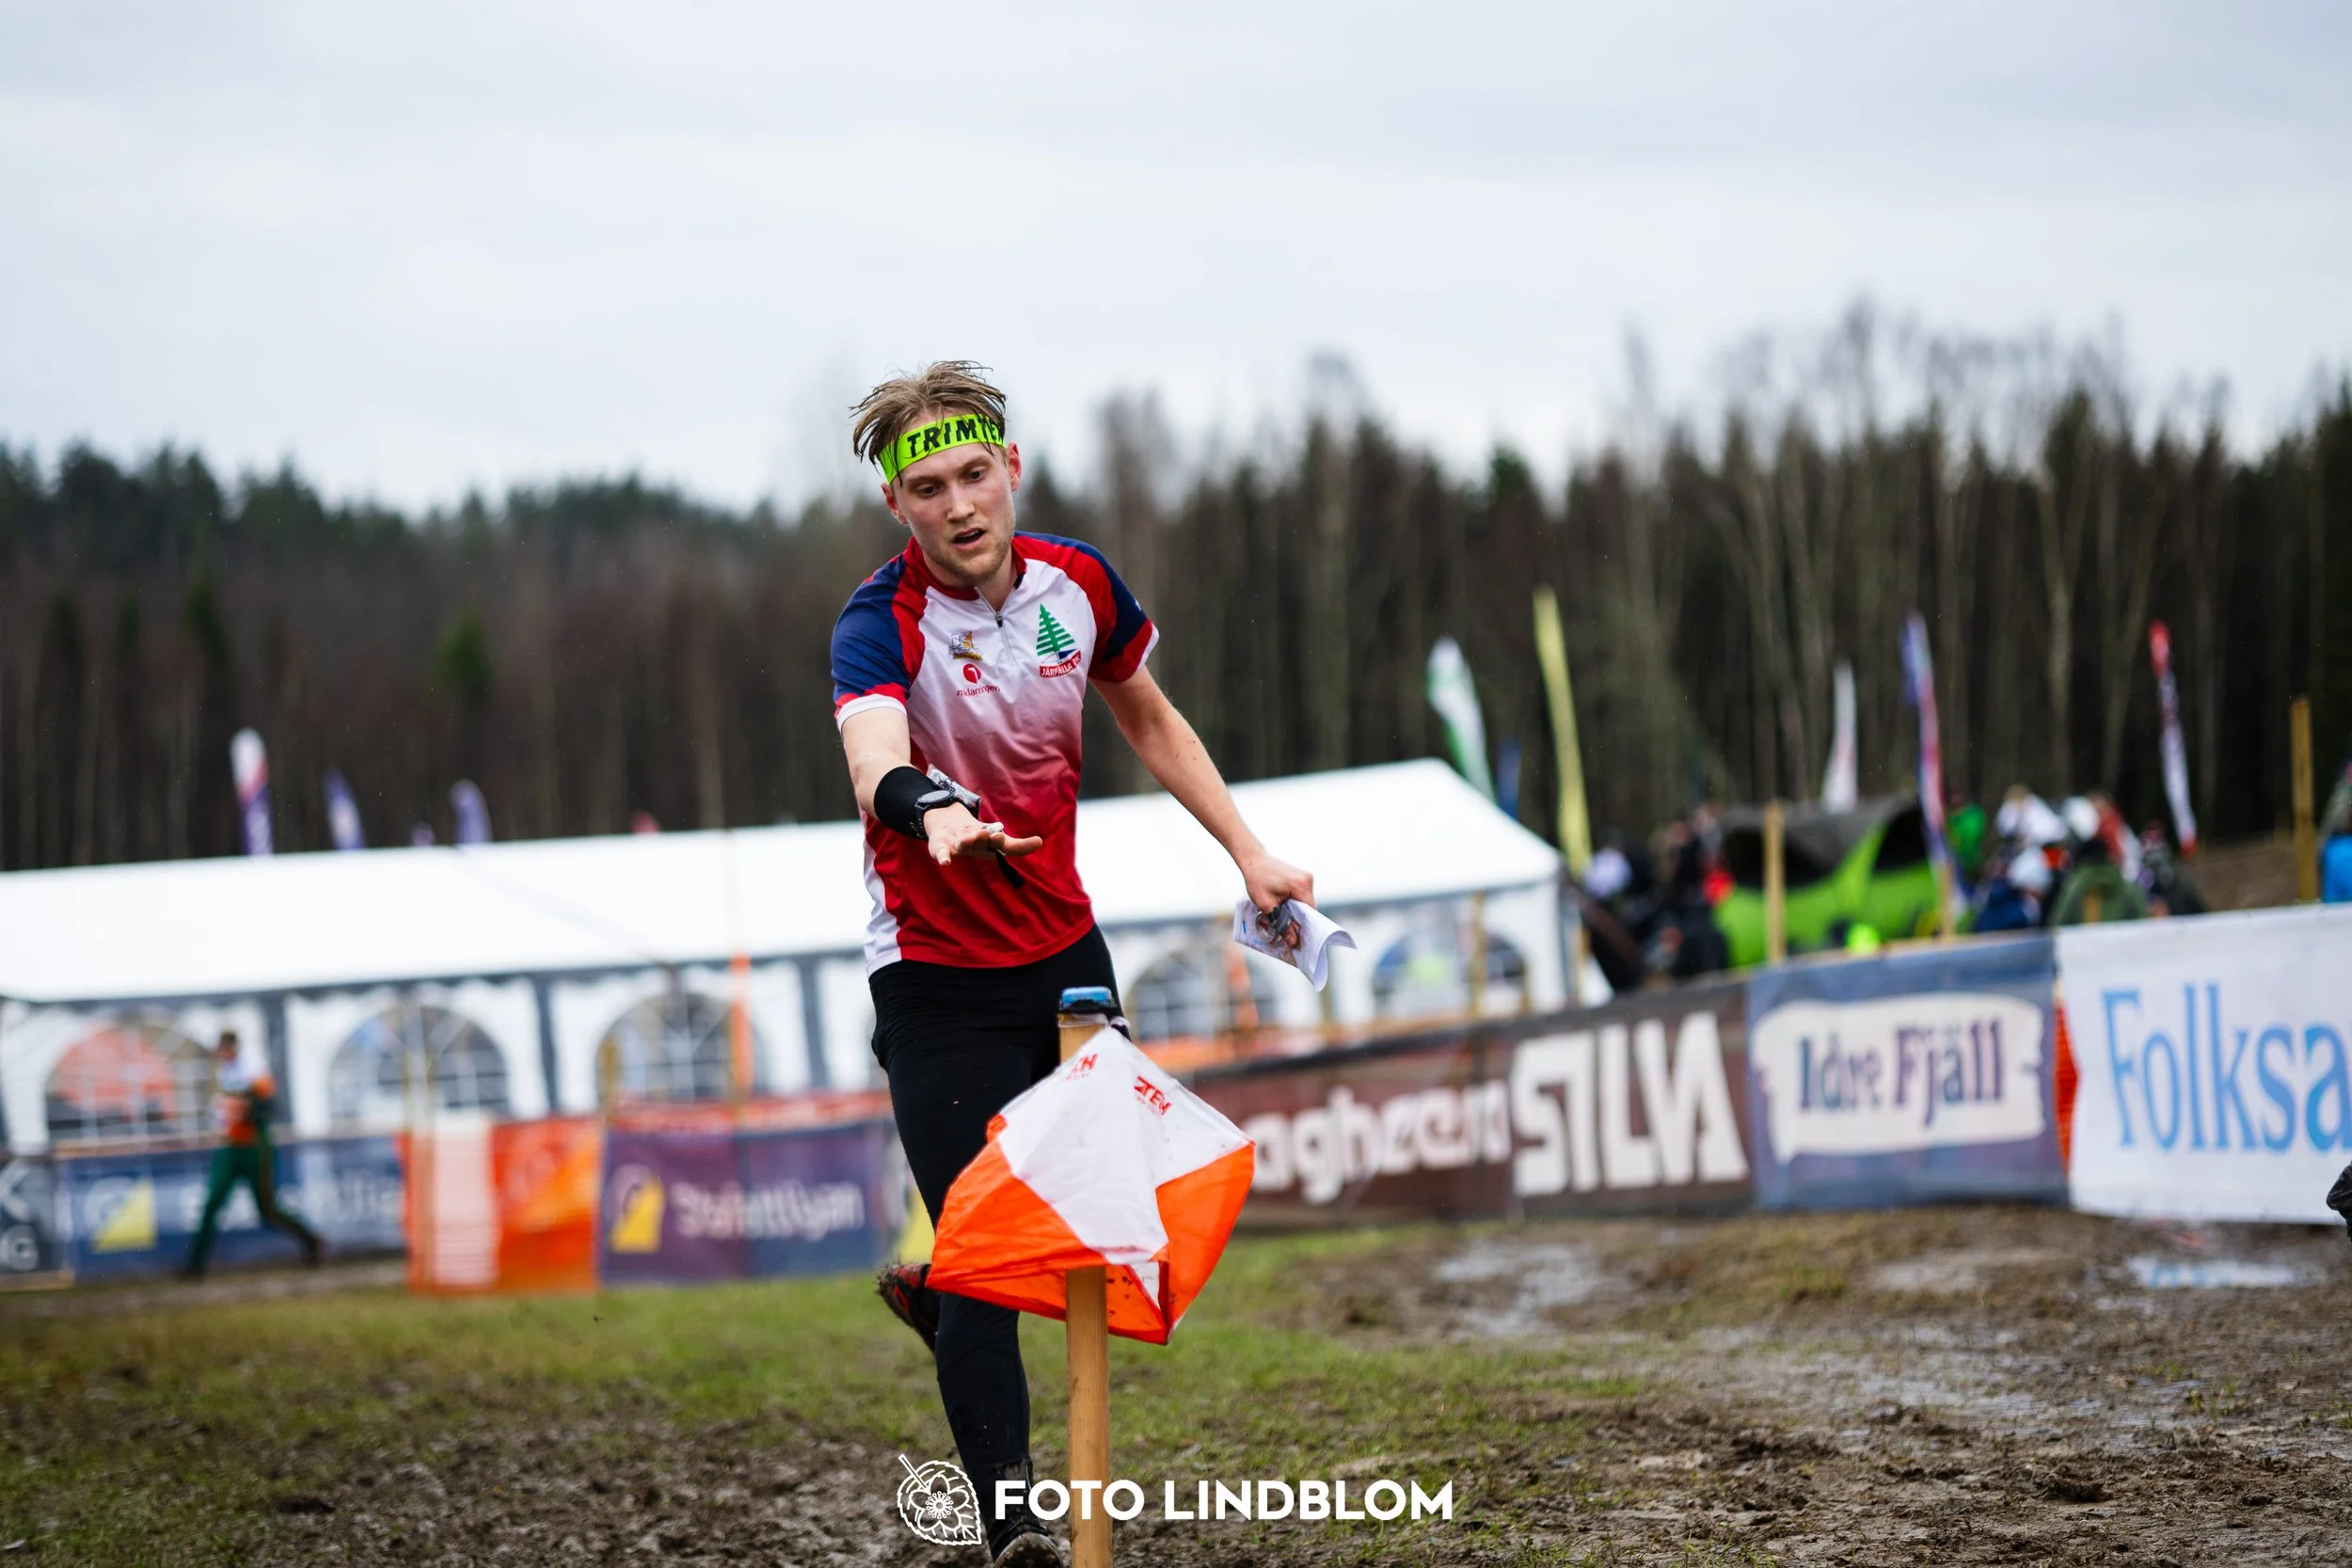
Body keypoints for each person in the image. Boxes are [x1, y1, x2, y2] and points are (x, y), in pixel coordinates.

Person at [829, 363, 1313, 1567]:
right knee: (985, 1245)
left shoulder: (1078, 580)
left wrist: (1248, 850)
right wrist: (927, 806)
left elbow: (1145, 713)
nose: (957, 505)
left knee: (1103, 1201)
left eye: (973, 475)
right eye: (927, 487)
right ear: (900, 506)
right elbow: (873, 753)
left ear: (1012, 471)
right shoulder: (873, 621)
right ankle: (1013, 1530)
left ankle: (947, 1293)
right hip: (932, 974)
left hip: (1063, 957)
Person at [182, 1031, 323, 1278]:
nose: (223, 1055)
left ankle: (310, 1240)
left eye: (226, 1049)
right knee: (212, 1204)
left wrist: (245, 1108)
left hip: (255, 1146)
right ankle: (195, 1265)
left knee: (268, 1210)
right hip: (230, 1147)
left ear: (234, 1048)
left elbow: (268, 1106)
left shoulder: (253, 1068)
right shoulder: (222, 1073)